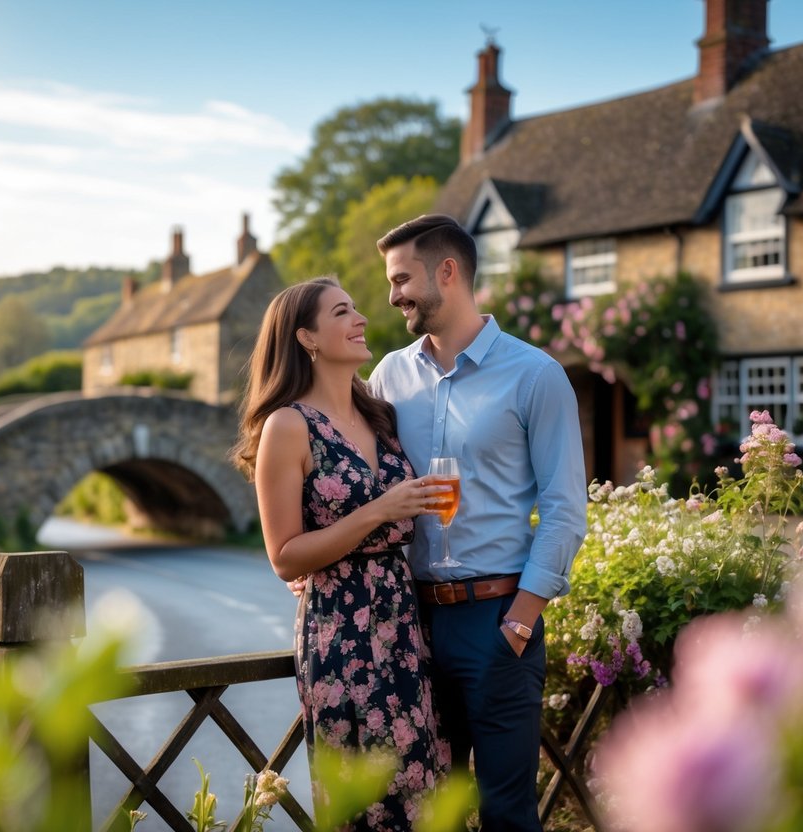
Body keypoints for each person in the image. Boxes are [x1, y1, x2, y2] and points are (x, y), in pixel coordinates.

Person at [369, 214, 587, 832]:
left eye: (402, 279)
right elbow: (359, 482)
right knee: (423, 814)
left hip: (496, 622)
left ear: (448, 272)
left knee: (507, 816)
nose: (393, 297)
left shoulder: (535, 375)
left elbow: (566, 505)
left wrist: (521, 619)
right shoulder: (387, 376)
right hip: (408, 626)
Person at [231, 276, 452, 830]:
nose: (361, 320)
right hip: (342, 632)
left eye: (356, 310)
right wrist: (379, 510)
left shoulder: (379, 413)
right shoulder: (288, 426)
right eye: (342, 312)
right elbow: (284, 556)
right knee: (368, 801)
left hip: (404, 621)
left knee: (424, 788)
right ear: (306, 337)